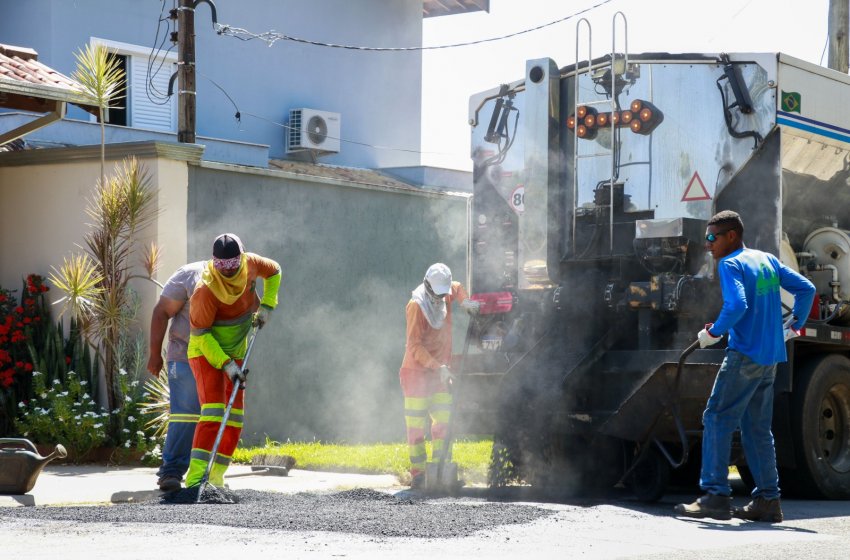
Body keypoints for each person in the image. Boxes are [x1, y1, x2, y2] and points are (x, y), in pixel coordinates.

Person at [675, 211, 815, 522]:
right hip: (770, 358)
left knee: (717, 418)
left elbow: (737, 305)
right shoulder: (765, 259)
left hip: (744, 355)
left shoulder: (730, 263)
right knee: (757, 429)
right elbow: (806, 289)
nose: (708, 244)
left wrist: (713, 332)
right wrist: (796, 326)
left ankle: (715, 495)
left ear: (732, 236)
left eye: (713, 237)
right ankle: (768, 501)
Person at [184, 233, 281, 488]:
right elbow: (202, 337)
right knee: (214, 413)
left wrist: (267, 306)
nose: (228, 274)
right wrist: (226, 365)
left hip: (236, 350)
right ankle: (195, 480)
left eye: (233, 267)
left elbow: (275, 272)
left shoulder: (251, 263)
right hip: (207, 353)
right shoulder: (204, 291)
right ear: (215, 265)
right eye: (223, 269)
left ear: (241, 259)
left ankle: (216, 478)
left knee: (235, 418)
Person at [399, 263, 480, 488]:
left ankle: (441, 472)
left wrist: (465, 301)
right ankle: (419, 475)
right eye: (437, 293)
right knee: (416, 426)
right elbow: (414, 346)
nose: (441, 297)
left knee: (444, 421)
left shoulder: (445, 291)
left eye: (443, 294)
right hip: (416, 373)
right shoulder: (416, 306)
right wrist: (437, 366)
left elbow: (456, 287)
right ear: (427, 286)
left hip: (440, 373)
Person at [147, 261, 205, 492]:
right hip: (183, 357)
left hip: (220, 361)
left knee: (213, 416)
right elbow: (161, 311)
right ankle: (171, 471)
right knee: (185, 414)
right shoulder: (190, 276)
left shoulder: (241, 277)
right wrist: (154, 355)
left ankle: (204, 472)